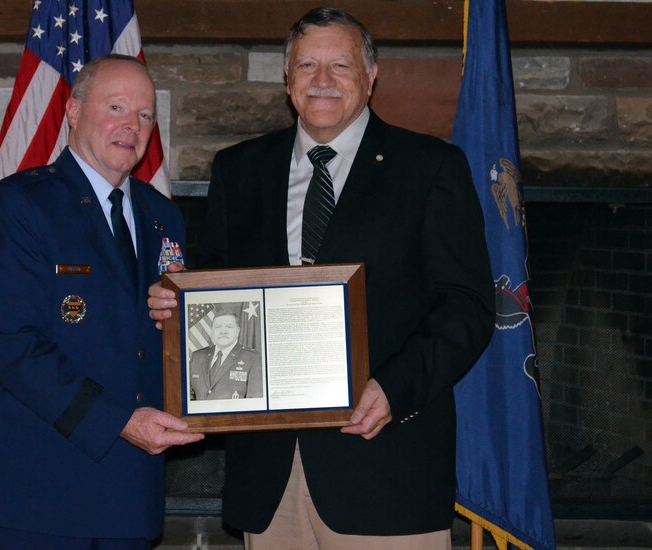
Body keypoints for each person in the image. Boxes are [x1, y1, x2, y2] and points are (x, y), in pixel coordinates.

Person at [149, 7, 495, 549]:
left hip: (386, 468)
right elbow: (211, 287)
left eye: (340, 65)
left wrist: (392, 388)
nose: (323, 81)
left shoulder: (430, 167)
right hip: (270, 478)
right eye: (307, 65)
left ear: (370, 75)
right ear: (288, 81)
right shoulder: (240, 170)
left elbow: (467, 307)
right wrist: (174, 303)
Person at [0, 54, 203, 549]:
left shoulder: (163, 216)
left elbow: (159, 339)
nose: (131, 126)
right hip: (40, 492)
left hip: (130, 494)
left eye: (143, 115)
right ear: (73, 111)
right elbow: (11, 341)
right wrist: (117, 421)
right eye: (115, 107)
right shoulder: (21, 205)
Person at [189, 310, 262, 400]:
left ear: (238, 331)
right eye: (218, 327)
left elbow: (254, 401)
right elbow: (189, 396)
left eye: (229, 326)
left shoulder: (253, 358)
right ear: (212, 331)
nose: (223, 331)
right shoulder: (197, 357)